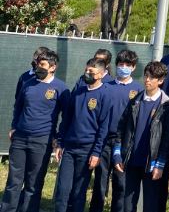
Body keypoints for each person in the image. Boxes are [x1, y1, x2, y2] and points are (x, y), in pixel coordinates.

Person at [2, 50, 70, 212]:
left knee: (34, 183)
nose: (39, 67)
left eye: (43, 64)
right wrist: (14, 126)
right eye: (38, 64)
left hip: (42, 141)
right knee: (14, 181)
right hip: (20, 139)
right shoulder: (28, 83)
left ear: (53, 67)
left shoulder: (61, 88)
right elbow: (18, 106)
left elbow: (67, 116)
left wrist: (58, 138)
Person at [113, 61, 169, 212]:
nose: (147, 79)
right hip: (131, 161)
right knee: (127, 206)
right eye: (146, 76)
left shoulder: (167, 105)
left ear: (160, 81)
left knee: (151, 206)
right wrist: (117, 155)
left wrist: (160, 165)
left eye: (152, 77)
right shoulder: (135, 101)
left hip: (152, 165)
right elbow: (121, 128)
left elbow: (167, 140)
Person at [54, 58, 112, 212]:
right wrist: (60, 142)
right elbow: (67, 118)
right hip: (69, 148)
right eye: (86, 70)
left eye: (90, 72)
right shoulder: (78, 91)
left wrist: (96, 152)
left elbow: (104, 127)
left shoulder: (105, 94)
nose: (86, 74)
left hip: (88, 150)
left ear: (100, 74)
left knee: (78, 192)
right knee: (62, 190)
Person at [89, 50, 143, 212]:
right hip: (104, 142)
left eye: (128, 65)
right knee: (100, 183)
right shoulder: (106, 86)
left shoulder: (138, 90)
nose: (123, 68)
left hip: (124, 144)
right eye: (121, 64)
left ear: (133, 68)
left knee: (121, 184)